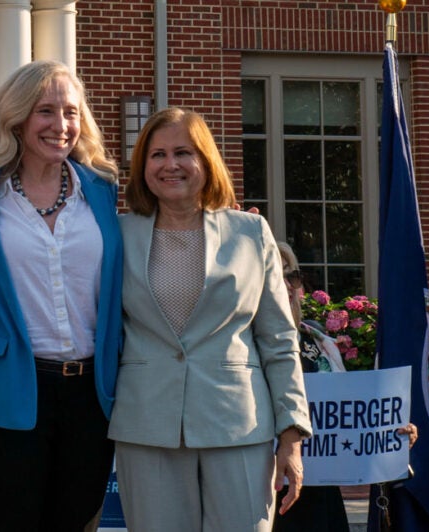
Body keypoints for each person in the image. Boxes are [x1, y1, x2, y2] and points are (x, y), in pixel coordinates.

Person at [107, 107, 312, 531]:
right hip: (147, 426)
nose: (170, 165)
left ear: (206, 160)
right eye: (157, 155)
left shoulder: (251, 233)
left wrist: (291, 434)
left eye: (183, 152)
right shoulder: (116, 234)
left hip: (238, 424)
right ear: (143, 165)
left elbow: (278, 337)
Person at [0, 60, 121, 531]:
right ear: (17, 117)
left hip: (92, 395)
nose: (61, 125)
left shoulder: (102, 189)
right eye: (46, 111)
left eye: (71, 112)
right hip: (5, 387)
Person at [273, 241, 350, 532]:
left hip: (319, 485)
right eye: (274, 276)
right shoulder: (240, 345)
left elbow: (349, 409)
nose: (289, 286)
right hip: (270, 483)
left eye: (291, 276)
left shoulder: (317, 340)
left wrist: (386, 431)